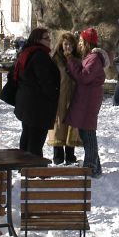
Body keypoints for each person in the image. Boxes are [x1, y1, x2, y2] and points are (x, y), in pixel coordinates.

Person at [65, 28, 108, 178]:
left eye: (82, 42)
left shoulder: (94, 58)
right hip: (86, 98)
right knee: (86, 132)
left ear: (88, 43)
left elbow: (84, 77)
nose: (80, 44)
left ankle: (91, 167)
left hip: (89, 100)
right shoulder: (91, 57)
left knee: (88, 133)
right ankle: (96, 167)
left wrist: (71, 60)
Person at [13, 28, 60, 158]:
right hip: (38, 106)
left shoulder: (27, 52)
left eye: (49, 38)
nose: (50, 41)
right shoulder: (40, 55)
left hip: (26, 103)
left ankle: (24, 165)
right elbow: (46, 81)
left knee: (28, 136)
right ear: (37, 40)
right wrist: (53, 96)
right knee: (35, 141)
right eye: (46, 38)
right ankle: (34, 170)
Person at [47, 32, 83, 165]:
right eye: (66, 44)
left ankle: (70, 156)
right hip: (59, 97)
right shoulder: (55, 60)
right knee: (58, 125)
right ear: (61, 45)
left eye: (70, 44)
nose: (68, 47)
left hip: (73, 97)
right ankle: (57, 156)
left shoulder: (77, 60)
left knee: (70, 125)